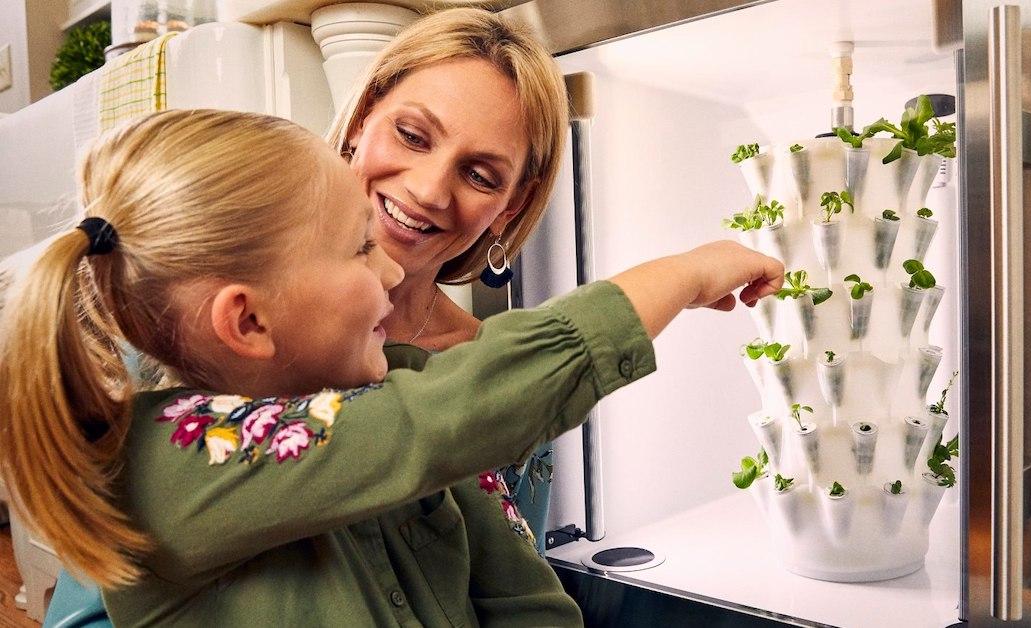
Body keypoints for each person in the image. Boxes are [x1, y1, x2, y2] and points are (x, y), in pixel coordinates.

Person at [0, 109, 782, 626]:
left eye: (485, 173)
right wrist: (682, 273)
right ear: (248, 320)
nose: (387, 267)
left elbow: (523, 600)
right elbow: (440, 418)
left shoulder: (398, 388)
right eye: (357, 247)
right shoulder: (170, 459)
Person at [329, 7, 568, 551]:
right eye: (413, 135)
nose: (431, 190)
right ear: (364, 115)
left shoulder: (503, 379)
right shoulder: (207, 315)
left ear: (512, 206)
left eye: (480, 175)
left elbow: (514, 585)